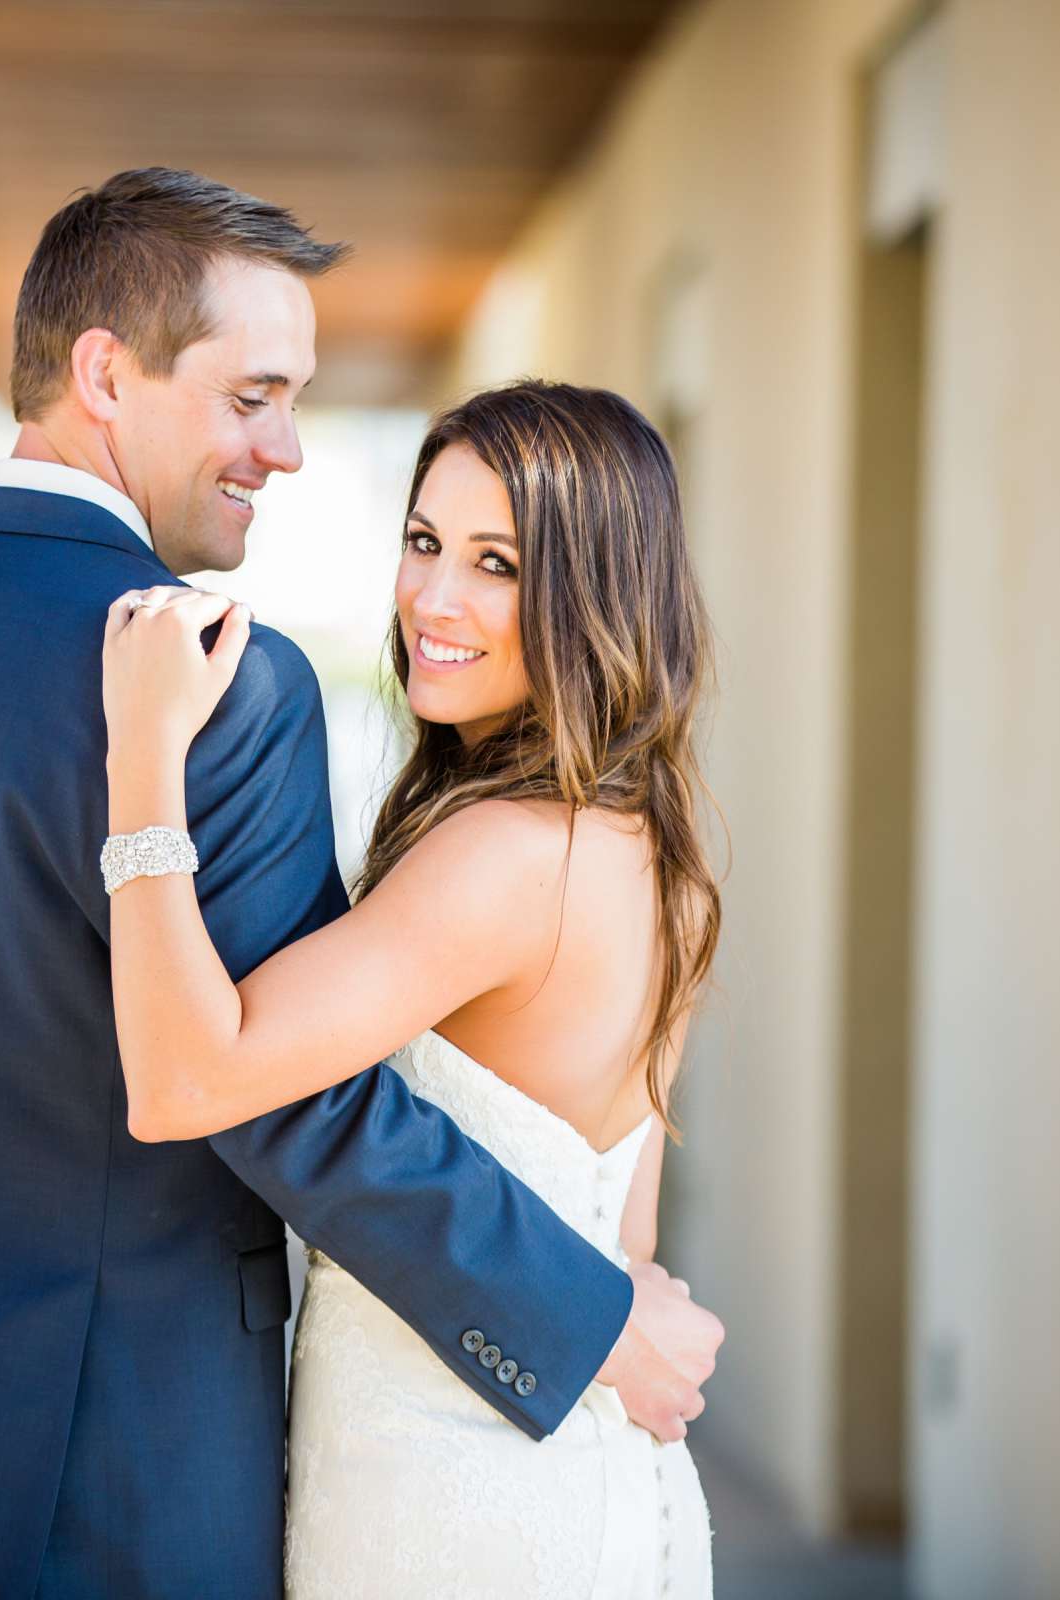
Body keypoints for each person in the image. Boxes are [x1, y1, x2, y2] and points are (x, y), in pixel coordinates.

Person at [0, 169, 722, 1600]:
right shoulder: (222, 683)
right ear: (107, 375)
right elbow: (289, 1102)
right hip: (114, 1491)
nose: (287, 450)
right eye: (254, 397)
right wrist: (580, 1316)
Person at [102, 379, 723, 1596]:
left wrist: (141, 760)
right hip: (589, 1491)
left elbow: (186, 1076)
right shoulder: (657, 854)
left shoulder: (507, 855)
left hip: (449, 1504)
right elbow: (624, 1234)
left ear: (592, 594)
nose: (435, 597)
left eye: (498, 563)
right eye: (426, 541)